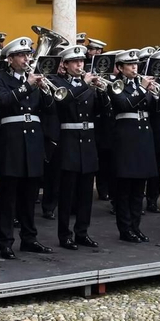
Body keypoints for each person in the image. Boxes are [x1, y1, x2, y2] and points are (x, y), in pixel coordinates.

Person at [0, 37, 52, 258]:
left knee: (29, 196)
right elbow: (3, 102)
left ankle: (29, 238)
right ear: (10, 58)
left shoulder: (34, 80)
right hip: (12, 143)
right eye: (21, 55)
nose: (26, 59)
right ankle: (5, 242)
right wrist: (28, 86)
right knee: (8, 197)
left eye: (28, 55)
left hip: (33, 142)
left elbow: (50, 108)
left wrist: (45, 90)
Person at [52, 46, 104, 247]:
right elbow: (64, 101)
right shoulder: (59, 83)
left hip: (88, 140)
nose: (79, 64)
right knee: (67, 193)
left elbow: (100, 110)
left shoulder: (88, 85)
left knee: (85, 193)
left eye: (81, 61)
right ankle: (64, 234)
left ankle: (82, 232)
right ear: (64, 65)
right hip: (69, 141)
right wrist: (84, 84)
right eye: (74, 61)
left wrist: (103, 93)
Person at [106, 51, 158, 243]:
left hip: (144, 138)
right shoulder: (116, 85)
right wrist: (143, 90)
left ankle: (136, 227)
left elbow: (155, 108)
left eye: (136, 64)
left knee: (139, 189)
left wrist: (153, 92)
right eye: (130, 65)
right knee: (124, 189)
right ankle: (125, 228)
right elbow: (123, 105)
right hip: (126, 140)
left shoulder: (140, 85)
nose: (135, 68)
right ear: (120, 68)